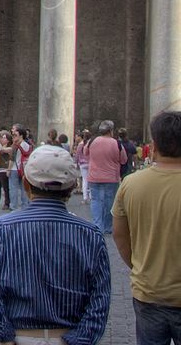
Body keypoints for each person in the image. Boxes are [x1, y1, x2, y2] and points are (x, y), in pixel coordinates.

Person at [0, 144, 110, 345]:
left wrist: (3, 336)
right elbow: (99, 299)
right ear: (72, 186)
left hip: (17, 337)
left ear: (26, 184)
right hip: (69, 336)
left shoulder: (2, 229)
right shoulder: (90, 234)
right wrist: (80, 339)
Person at [112, 110, 181, 345]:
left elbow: (120, 236)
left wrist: (139, 265)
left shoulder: (131, 184)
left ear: (153, 145)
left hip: (149, 292)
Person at [84, 119, 127, 235]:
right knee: (110, 202)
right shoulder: (117, 143)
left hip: (94, 176)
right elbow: (124, 160)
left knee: (96, 200)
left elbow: (85, 153)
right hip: (111, 177)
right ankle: (108, 226)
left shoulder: (92, 141)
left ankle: (97, 225)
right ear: (111, 131)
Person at [9, 124, 33, 211]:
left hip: (15, 169)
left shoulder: (16, 145)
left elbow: (12, 158)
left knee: (13, 188)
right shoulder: (27, 145)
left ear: (20, 135)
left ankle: (13, 206)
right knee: (24, 189)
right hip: (24, 169)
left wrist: (8, 170)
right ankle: (25, 206)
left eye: (15, 134)